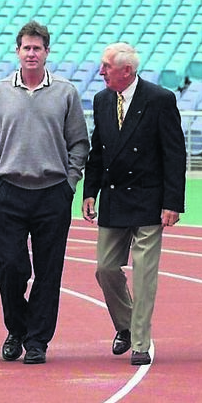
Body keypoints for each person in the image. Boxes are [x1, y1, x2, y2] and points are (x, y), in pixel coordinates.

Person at [0, 20, 89, 365]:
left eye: (37, 48)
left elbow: (79, 142)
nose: (31, 53)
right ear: (17, 51)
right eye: (26, 47)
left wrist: (70, 182)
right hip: (8, 191)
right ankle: (17, 328)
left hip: (52, 192)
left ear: (47, 52)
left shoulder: (66, 92)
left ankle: (37, 340)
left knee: (48, 271)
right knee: (9, 265)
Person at [82, 43, 186, 366]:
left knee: (143, 275)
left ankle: (140, 342)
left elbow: (174, 153)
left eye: (106, 66)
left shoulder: (159, 99)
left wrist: (173, 202)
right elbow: (98, 150)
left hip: (148, 200)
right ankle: (126, 325)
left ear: (126, 70)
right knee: (105, 269)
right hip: (114, 199)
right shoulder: (102, 100)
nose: (101, 72)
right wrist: (90, 191)